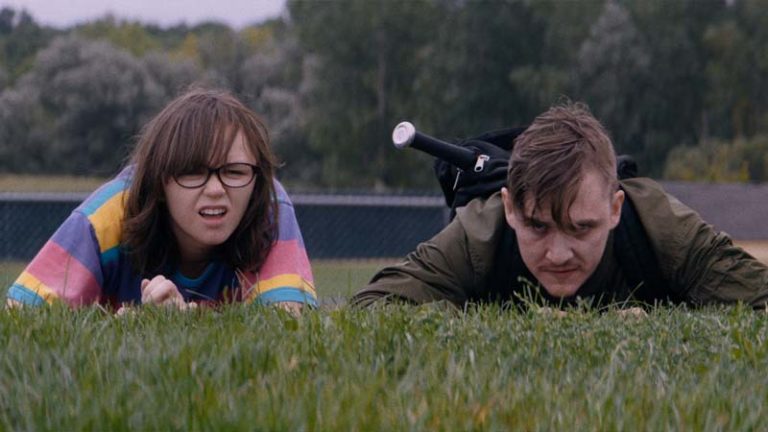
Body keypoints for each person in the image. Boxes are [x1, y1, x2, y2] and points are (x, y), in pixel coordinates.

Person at [352, 102, 768, 309]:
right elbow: (373, 306)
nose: (558, 254)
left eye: (581, 228)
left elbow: (757, 299)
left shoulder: (658, 225)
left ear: (615, 208)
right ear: (509, 208)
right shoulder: (481, 231)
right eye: (537, 226)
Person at [6, 87, 317, 312]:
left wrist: (188, 321)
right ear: (158, 181)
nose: (215, 189)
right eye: (192, 172)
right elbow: (21, 317)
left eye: (234, 172)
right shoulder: (110, 213)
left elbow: (288, 324)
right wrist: (120, 327)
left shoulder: (268, 206)